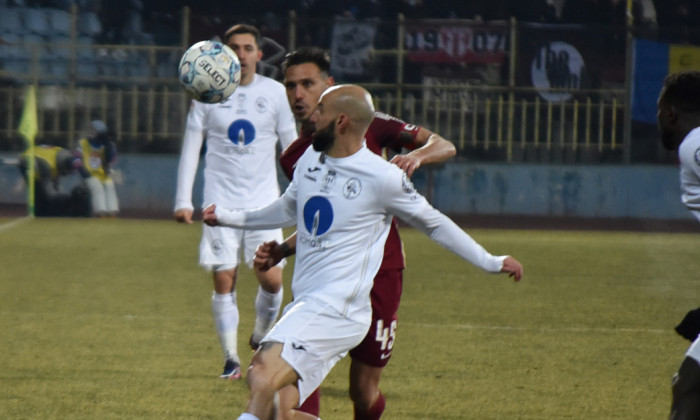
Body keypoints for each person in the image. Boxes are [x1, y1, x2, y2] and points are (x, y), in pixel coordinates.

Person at [203, 84, 524, 420]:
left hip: (337, 311)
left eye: (320, 110)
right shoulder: (310, 159)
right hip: (308, 305)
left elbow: (434, 224)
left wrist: (490, 261)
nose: (313, 116)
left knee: (262, 374)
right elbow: (288, 208)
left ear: (341, 121)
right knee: (279, 409)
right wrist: (227, 217)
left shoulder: (382, 177)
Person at [256, 45, 459, 420]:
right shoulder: (295, 156)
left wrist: (416, 156)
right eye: (290, 86)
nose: (298, 95)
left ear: (329, 85)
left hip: (381, 274)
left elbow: (443, 144)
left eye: (307, 84)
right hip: (325, 284)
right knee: (291, 391)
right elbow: (321, 224)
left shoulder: (373, 124)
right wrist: (283, 250)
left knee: (363, 393)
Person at [173, 23, 297, 380]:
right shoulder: (206, 94)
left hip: (264, 204)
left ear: (259, 54)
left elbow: (290, 151)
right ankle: (231, 359)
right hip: (219, 204)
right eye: (234, 48)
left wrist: (303, 192)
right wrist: (183, 200)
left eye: (247, 48)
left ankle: (259, 336)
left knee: (271, 281)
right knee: (224, 280)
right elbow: (191, 148)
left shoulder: (274, 93)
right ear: (224, 53)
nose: (241, 54)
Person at [657, 70, 700, 419]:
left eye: (659, 110)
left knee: (689, 387)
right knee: (688, 385)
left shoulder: (694, 144)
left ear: (671, 112)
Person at [18, 144, 90, 217]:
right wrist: (59, 200)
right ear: (64, 166)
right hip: (27, 161)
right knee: (39, 193)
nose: (67, 174)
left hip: (44, 158)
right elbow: (48, 188)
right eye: (68, 171)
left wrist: (59, 194)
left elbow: (57, 179)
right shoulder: (47, 166)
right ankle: (38, 214)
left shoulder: (64, 156)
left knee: (52, 192)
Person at [76, 120, 119, 217]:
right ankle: (101, 211)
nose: (91, 132)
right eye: (90, 129)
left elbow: (112, 159)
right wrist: (81, 169)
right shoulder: (83, 143)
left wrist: (108, 147)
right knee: (97, 187)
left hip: (104, 172)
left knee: (110, 185)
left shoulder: (108, 144)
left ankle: (112, 211)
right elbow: (76, 158)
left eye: (93, 130)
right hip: (89, 173)